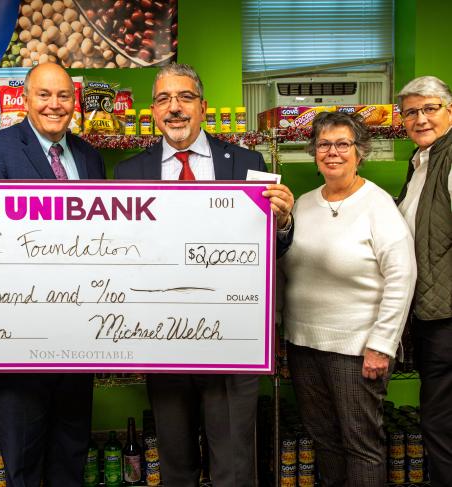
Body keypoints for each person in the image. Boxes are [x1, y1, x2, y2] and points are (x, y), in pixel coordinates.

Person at [114, 63, 294, 487]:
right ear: (153, 111)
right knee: (175, 464)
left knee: (234, 465)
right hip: (162, 339)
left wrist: (282, 222)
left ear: (203, 107)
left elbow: (274, 247)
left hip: (233, 339)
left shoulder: (247, 163)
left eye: (185, 98)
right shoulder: (128, 173)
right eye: (163, 99)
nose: (174, 108)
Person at [0, 62, 105, 486]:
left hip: (80, 336)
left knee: (71, 452)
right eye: (44, 94)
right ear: (25, 99)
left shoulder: (88, 156)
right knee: (22, 460)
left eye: (63, 95)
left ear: (74, 102)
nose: (54, 104)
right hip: (19, 339)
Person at [279, 111, 416, 487]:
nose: (332, 152)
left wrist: (382, 345)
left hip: (356, 349)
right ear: (314, 152)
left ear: (360, 152)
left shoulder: (378, 205)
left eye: (343, 144)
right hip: (304, 346)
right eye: (324, 144)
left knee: (361, 445)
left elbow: (402, 277)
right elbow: (287, 269)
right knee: (324, 441)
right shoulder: (303, 205)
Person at [397, 75, 452, 487]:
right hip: (432, 314)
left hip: (449, 317)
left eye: (430, 108)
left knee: (440, 421)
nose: (420, 118)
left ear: (449, 110)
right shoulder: (421, 162)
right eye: (411, 111)